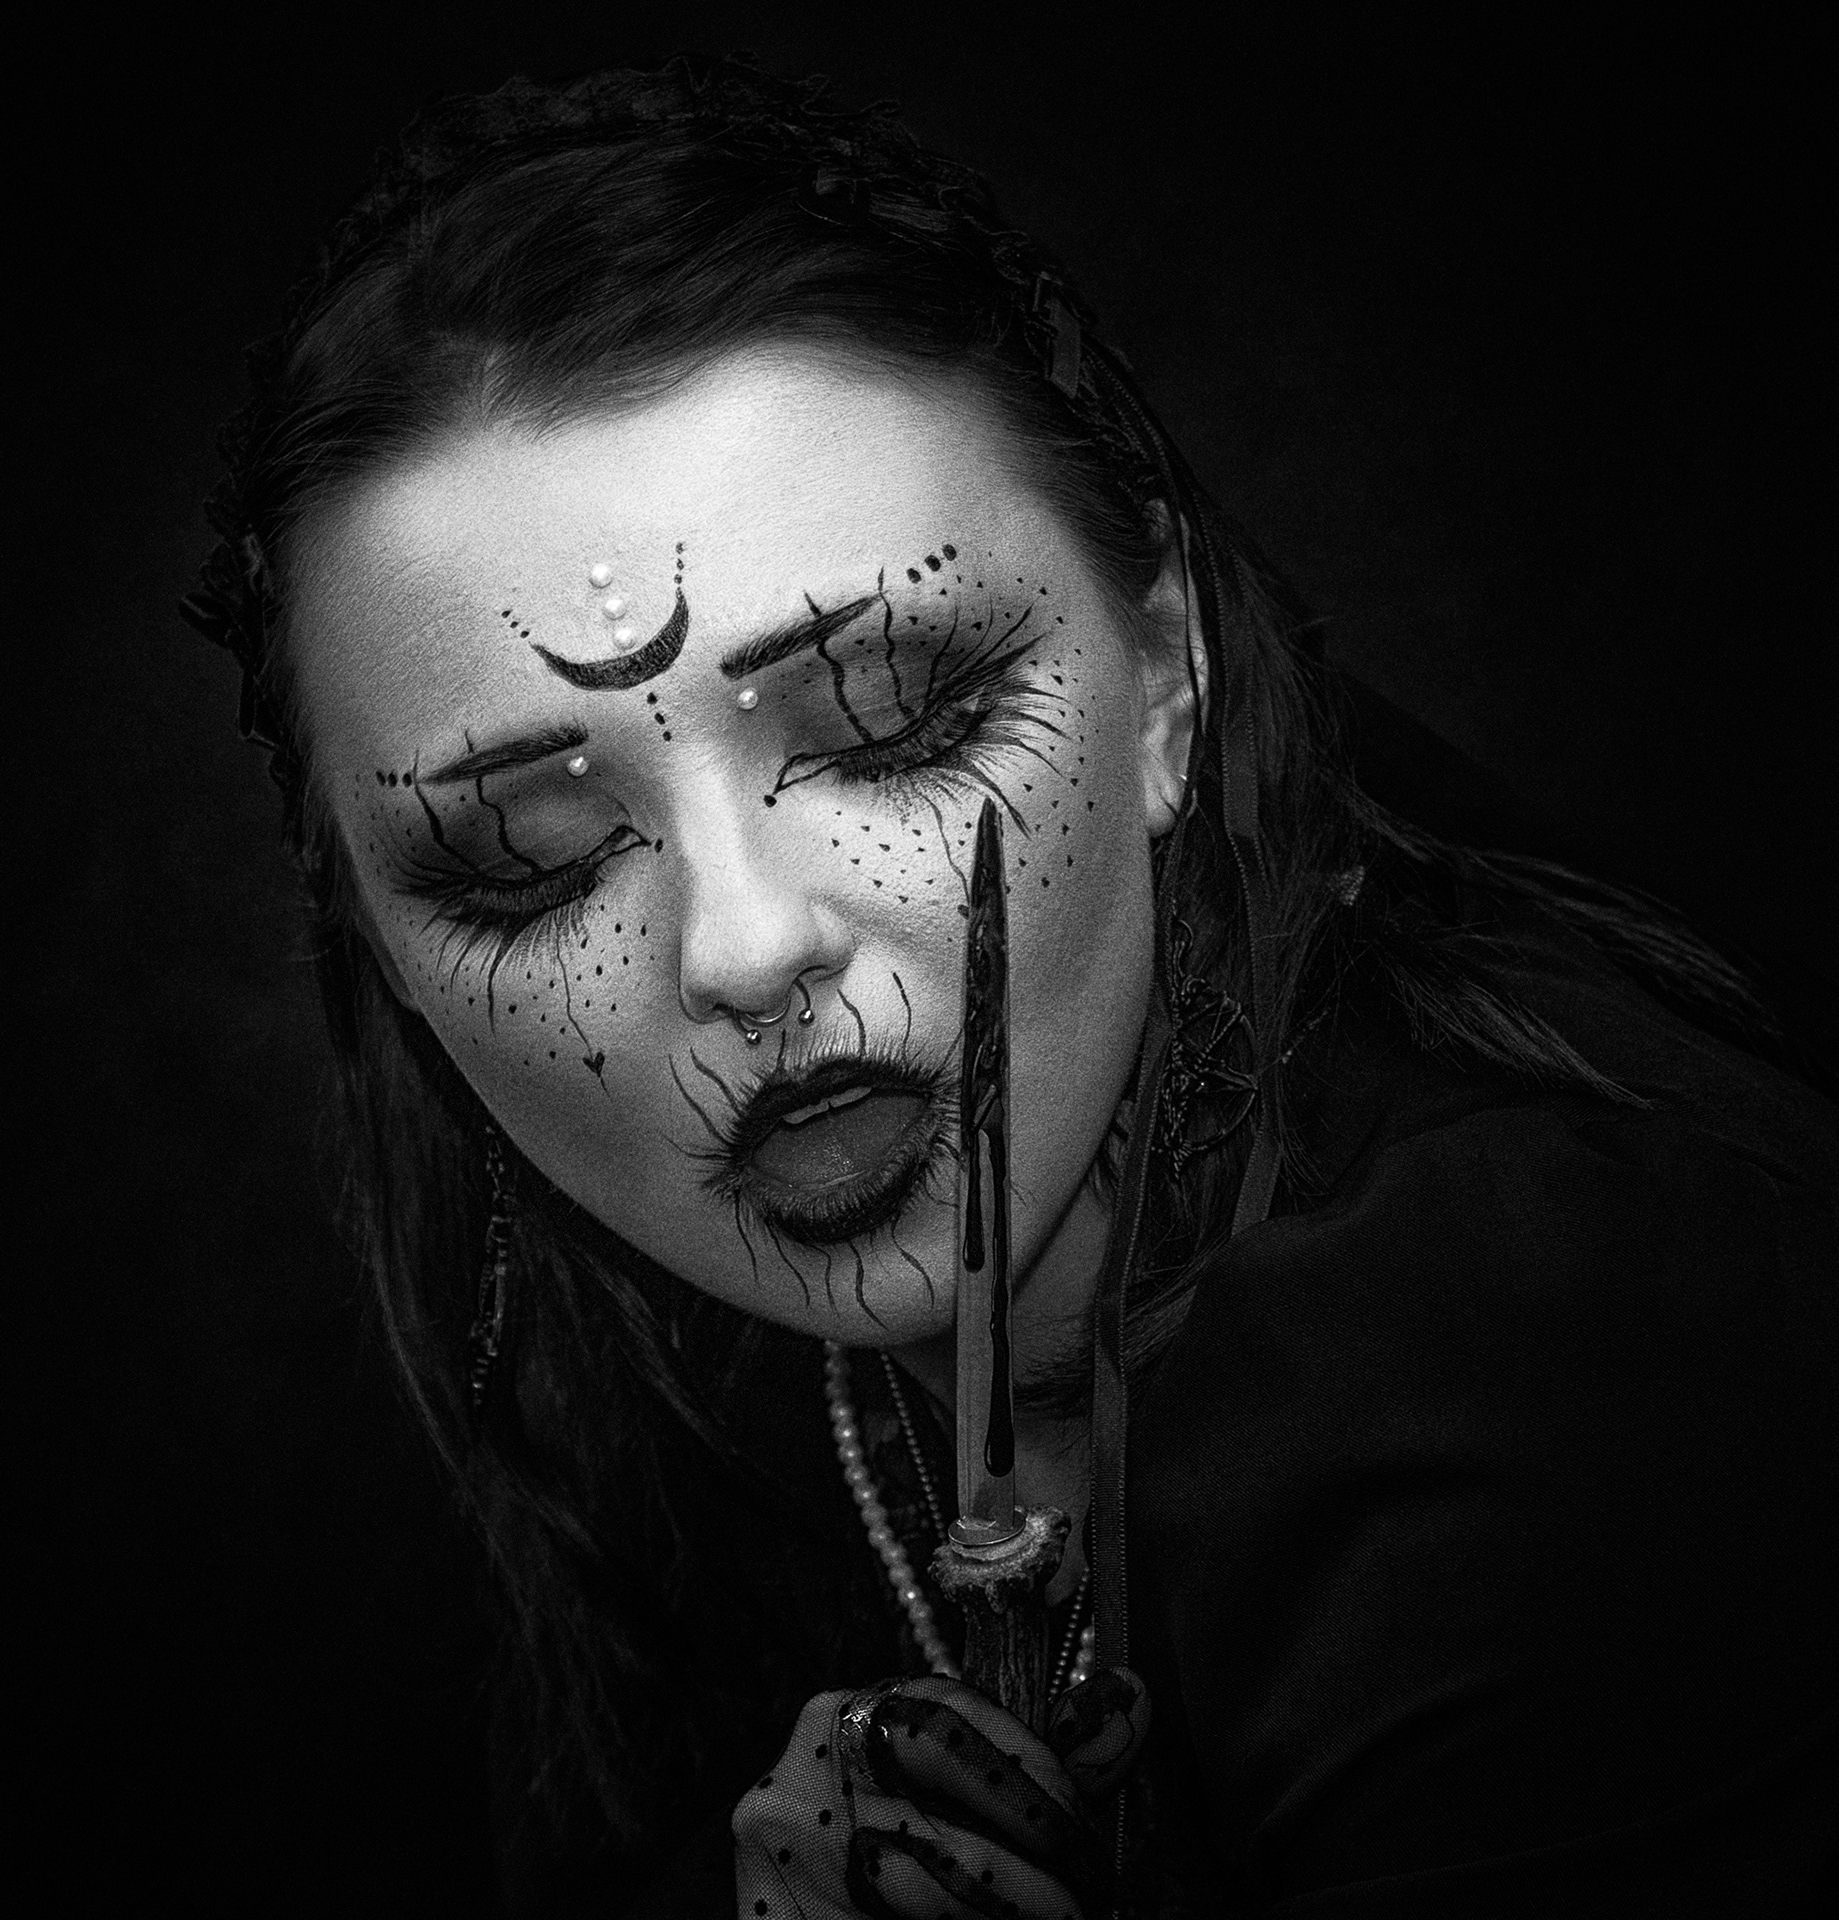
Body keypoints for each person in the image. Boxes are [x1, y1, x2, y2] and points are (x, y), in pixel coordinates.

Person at [183, 56, 1837, 1918]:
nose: (743, 946)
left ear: (1168, 679)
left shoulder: (1540, 1350)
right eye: (533, 860)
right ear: (384, 958)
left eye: (893, 725)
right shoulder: (679, 1427)